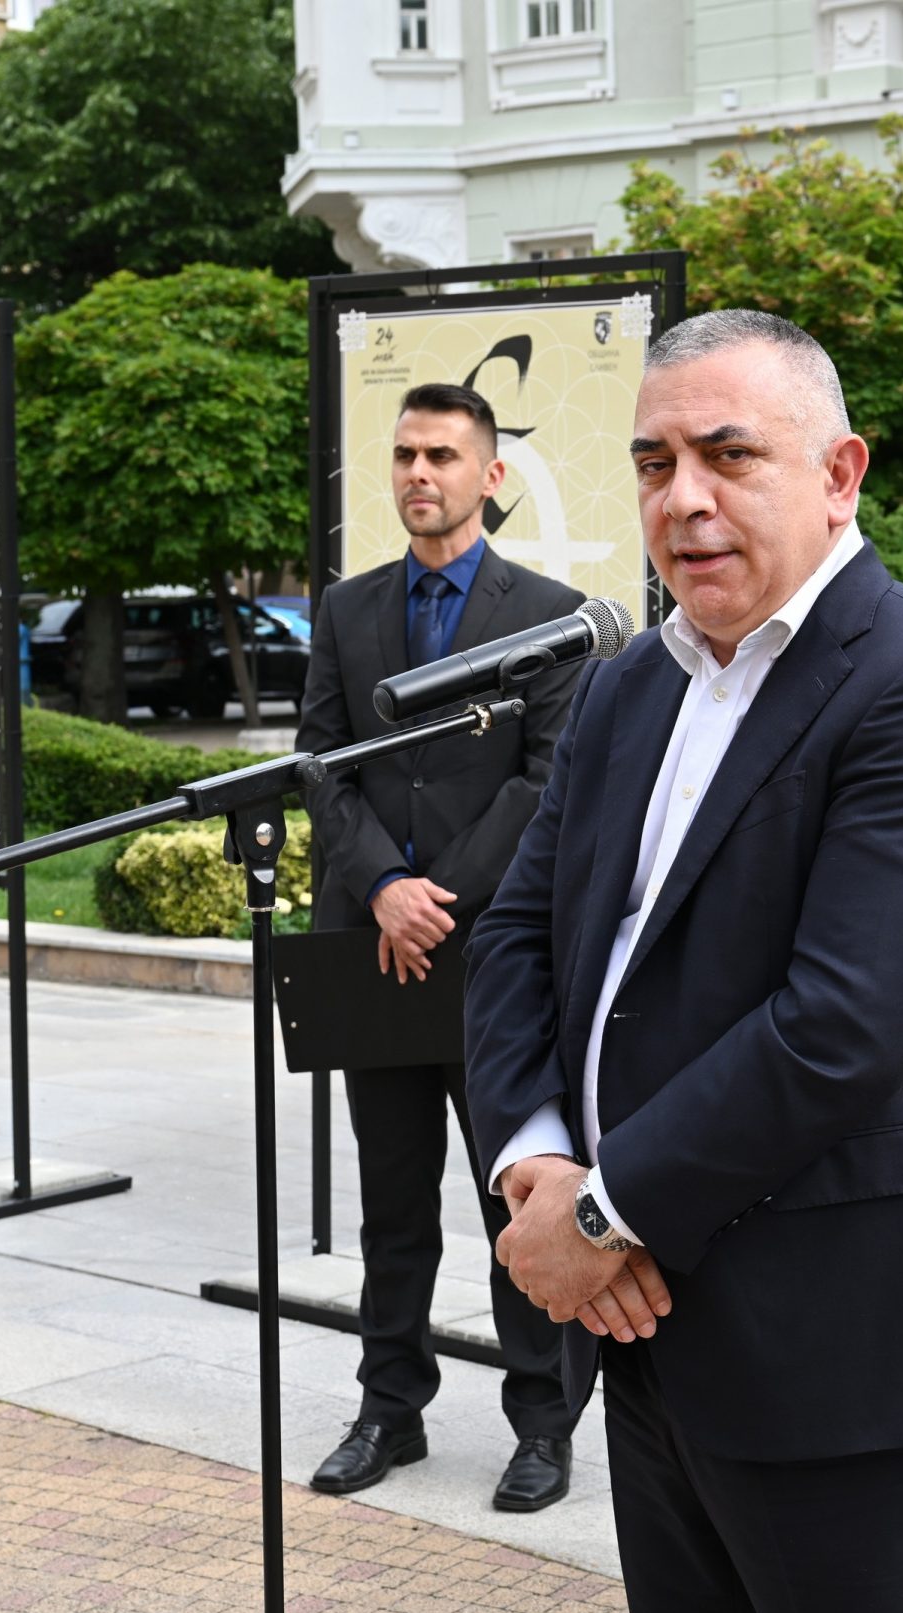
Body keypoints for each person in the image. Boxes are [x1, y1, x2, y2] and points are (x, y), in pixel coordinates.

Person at [465, 310, 903, 1613]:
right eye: (653, 462)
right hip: (650, 1336)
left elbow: (837, 1027)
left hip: (846, 1349)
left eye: (728, 455)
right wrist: (535, 1159)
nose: (683, 498)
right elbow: (516, 936)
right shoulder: (627, 688)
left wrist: (599, 1219)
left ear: (839, 473)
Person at [297, 381, 587, 1515]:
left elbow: (545, 781)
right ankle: (390, 1408)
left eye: (444, 456)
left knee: (518, 1194)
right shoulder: (346, 608)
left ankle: (542, 1423)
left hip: (490, 954)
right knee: (391, 1200)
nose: (421, 474)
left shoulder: (550, 614)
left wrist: (439, 898)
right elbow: (320, 761)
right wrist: (381, 887)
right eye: (407, 454)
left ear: (490, 475)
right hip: (371, 950)